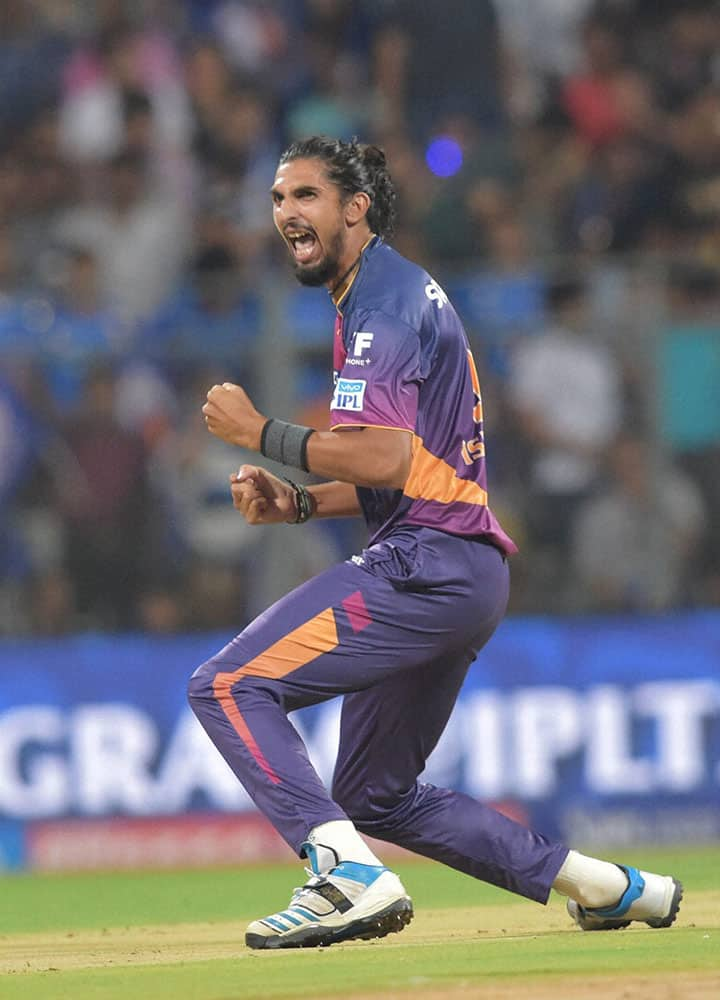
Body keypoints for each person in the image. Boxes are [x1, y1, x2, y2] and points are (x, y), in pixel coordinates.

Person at [189, 136, 682, 950]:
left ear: (357, 207)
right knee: (376, 795)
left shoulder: (382, 303)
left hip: (425, 565)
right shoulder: (386, 294)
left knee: (229, 685)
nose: (285, 214)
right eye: (278, 199)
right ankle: (617, 888)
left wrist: (259, 432)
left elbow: (383, 455)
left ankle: (345, 876)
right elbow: (411, 466)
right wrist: (305, 504)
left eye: (305, 196)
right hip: (460, 567)